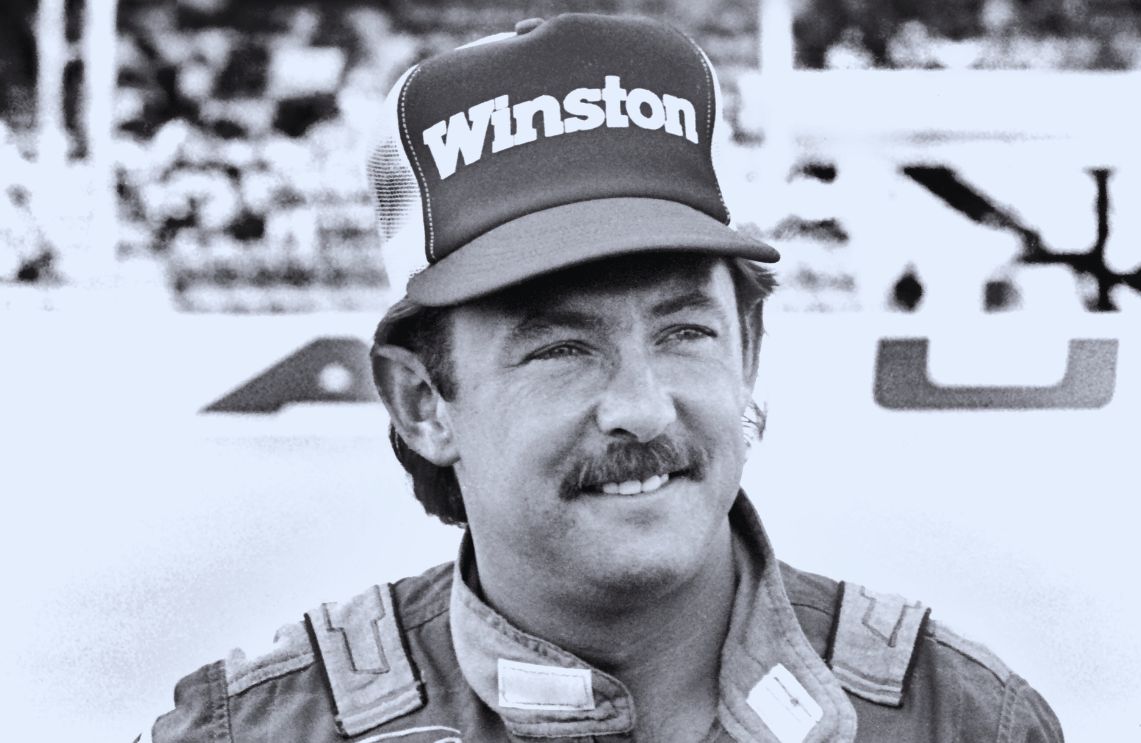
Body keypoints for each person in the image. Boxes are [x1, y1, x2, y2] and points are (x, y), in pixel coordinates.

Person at [140, 13, 1063, 743]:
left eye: (685, 330)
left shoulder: (964, 718)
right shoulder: (256, 729)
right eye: (560, 346)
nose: (641, 406)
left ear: (749, 347)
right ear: (422, 401)